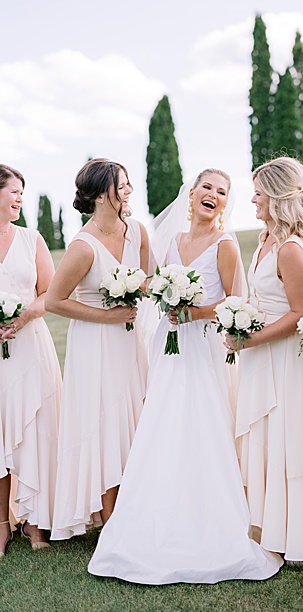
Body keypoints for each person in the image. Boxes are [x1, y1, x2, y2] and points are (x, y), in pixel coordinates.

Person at [88, 169, 280, 584]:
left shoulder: (225, 244)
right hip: (169, 343)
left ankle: (210, 516)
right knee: (163, 422)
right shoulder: (171, 240)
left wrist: (194, 312)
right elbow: (156, 285)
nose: (213, 195)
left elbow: (235, 301)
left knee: (203, 423)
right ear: (190, 194)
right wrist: (161, 296)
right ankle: (156, 511)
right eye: (207, 187)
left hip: (204, 346)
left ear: (224, 203)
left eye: (222, 192)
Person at [232, 157, 303, 562]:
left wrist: (251, 338)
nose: (253, 199)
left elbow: (301, 313)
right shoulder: (266, 240)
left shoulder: (291, 248)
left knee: (289, 440)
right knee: (267, 438)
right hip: (263, 355)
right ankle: (268, 526)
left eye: (258, 192)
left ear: (277, 197)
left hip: (288, 360)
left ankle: (300, 535)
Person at [45, 159, 150, 540]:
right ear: (102, 195)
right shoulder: (82, 246)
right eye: (121, 186)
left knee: (135, 419)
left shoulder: (137, 231)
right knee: (105, 424)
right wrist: (107, 316)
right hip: (95, 343)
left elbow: (147, 279)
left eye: (128, 184)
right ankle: (111, 525)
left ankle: (139, 510)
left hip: (129, 339)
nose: (128, 191)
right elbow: (55, 301)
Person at [0, 164, 58, 553]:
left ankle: (36, 524)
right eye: (14, 191)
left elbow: (50, 294)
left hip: (31, 346)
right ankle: (2, 524)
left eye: (23, 192)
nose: (20, 198)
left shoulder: (31, 239)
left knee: (34, 431)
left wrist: (21, 318)